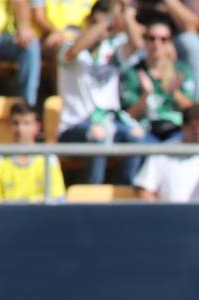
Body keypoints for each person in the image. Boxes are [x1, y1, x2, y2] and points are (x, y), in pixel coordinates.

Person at [56, 0, 148, 185]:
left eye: (107, 26)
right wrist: (106, 20)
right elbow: (73, 52)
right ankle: (93, 196)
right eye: (96, 24)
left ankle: (125, 191)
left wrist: (127, 15)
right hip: (75, 125)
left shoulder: (111, 51)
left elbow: (137, 44)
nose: (101, 31)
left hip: (111, 122)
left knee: (137, 135)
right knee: (98, 134)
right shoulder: (68, 48)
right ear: (88, 22)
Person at [122, 14, 199, 140]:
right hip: (145, 130)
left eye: (163, 39)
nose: (157, 44)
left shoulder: (181, 70)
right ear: (145, 41)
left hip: (176, 130)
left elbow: (193, 112)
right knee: (135, 140)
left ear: (170, 42)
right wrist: (145, 95)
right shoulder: (133, 71)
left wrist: (175, 92)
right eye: (152, 38)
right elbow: (128, 116)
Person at [0, 101, 67, 201]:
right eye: (16, 123)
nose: (20, 129)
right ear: (8, 125)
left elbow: (58, 198)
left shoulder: (48, 159)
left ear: (36, 127)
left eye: (26, 123)